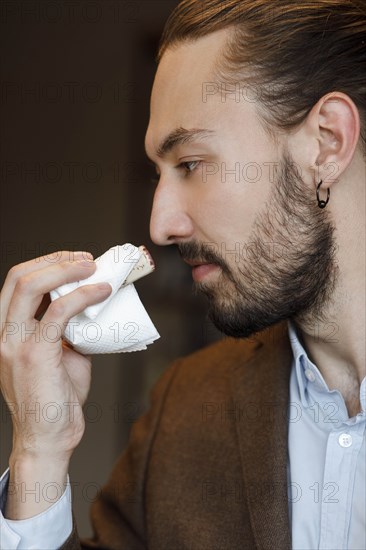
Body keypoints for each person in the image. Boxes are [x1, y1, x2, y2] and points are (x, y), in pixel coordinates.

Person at [0, 0, 365, 548]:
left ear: (328, 141)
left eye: (191, 163)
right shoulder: (184, 409)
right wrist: (39, 453)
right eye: (158, 173)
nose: (159, 225)